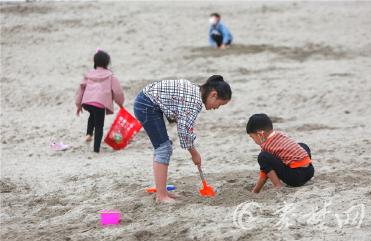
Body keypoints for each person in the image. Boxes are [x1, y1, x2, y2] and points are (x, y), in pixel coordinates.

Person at [134, 75, 232, 203]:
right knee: (163, 148)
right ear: (213, 95)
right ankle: (161, 196)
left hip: (146, 101)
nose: (217, 108)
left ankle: (161, 190)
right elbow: (184, 132)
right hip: (147, 105)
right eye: (219, 104)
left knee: (163, 147)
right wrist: (194, 153)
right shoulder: (194, 102)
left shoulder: (195, 91)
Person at [246, 113, 314, 193]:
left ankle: (278, 186)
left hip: (295, 178)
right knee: (301, 145)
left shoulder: (266, 146)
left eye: (253, 137)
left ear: (260, 134)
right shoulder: (281, 135)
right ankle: (306, 172)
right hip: (309, 172)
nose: (253, 140)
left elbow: (264, 170)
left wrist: (256, 190)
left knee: (263, 157)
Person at [75, 49, 125, 153]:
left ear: (95, 62)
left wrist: (78, 105)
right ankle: (96, 149)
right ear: (107, 63)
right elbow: (118, 92)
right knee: (99, 126)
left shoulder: (88, 74)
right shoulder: (111, 76)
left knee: (92, 115)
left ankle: (89, 134)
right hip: (100, 103)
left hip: (87, 103)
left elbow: (81, 89)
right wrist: (120, 103)